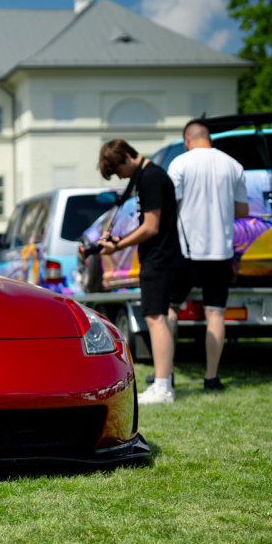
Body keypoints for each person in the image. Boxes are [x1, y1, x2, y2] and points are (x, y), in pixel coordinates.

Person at [97, 139, 182, 405]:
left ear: (126, 157)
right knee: (161, 317)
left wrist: (117, 246)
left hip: (159, 257)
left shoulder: (151, 178)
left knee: (156, 318)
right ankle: (162, 382)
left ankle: (162, 387)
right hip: (159, 256)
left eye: (117, 170)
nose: (120, 176)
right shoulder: (145, 176)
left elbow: (151, 227)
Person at [167, 119, 249, 392]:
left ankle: (165, 373)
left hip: (187, 250)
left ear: (187, 139)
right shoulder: (233, 165)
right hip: (221, 251)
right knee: (216, 313)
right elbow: (242, 212)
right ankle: (211, 377)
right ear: (208, 137)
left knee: (169, 309)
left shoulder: (180, 163)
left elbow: (170, 207)